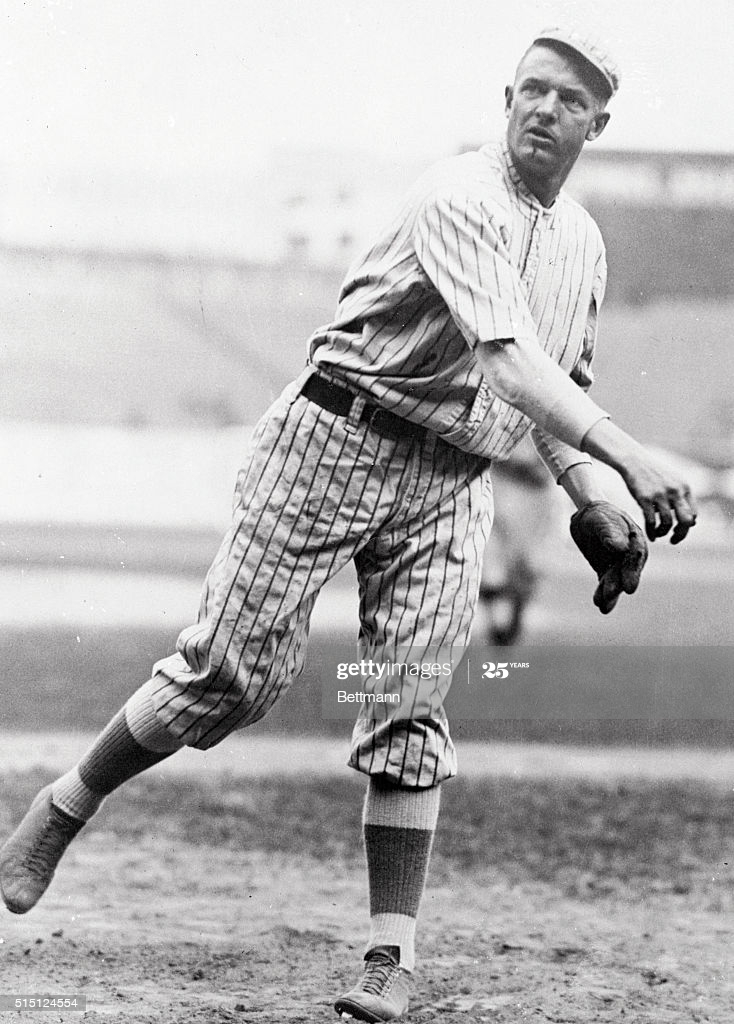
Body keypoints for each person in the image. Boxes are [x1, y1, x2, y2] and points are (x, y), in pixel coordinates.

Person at [0, 27, 696, 1023]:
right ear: (506, 98)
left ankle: (386, 956)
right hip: (335, 434)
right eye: (532, 91)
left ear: (598, 122)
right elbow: (505, 360)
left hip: (453, 476)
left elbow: (556, 395)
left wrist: (590, 491)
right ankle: (63, 803)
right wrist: (631, 456)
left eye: (568, 100)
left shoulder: (580, 242)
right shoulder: (454, 195)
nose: (545, 110)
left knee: (413, 705)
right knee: (225, 680)